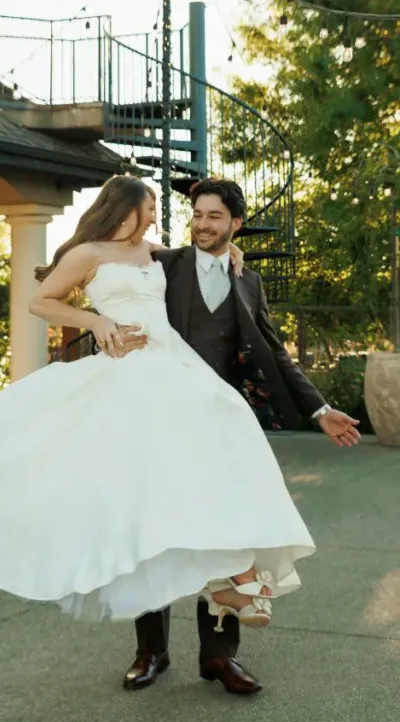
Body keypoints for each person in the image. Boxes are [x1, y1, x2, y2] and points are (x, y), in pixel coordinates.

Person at [0, 174, 318, 693]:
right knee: (145, 501)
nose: (159, 213)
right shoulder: (87, 252)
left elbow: (203, 256)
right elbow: (41, 301)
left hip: (177, 368)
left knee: (218, 463)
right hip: (131, 375)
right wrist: (95, 323)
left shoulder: (154, 252)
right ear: (129, 207)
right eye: (152, 205)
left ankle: (233, 585)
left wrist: (235, 259)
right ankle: (167, 638)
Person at [102, 178, 359, 695]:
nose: (201, 224)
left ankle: (219, 658)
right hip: (158, 417)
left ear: (235, 224)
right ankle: (150, 651)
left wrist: (321, 408)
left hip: (218, 423)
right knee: (154, 531)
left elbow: (273, 350)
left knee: (226, 529)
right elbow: (93, 254)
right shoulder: (161, 264)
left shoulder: (249, 281)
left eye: (214, 217)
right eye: (196, 214)